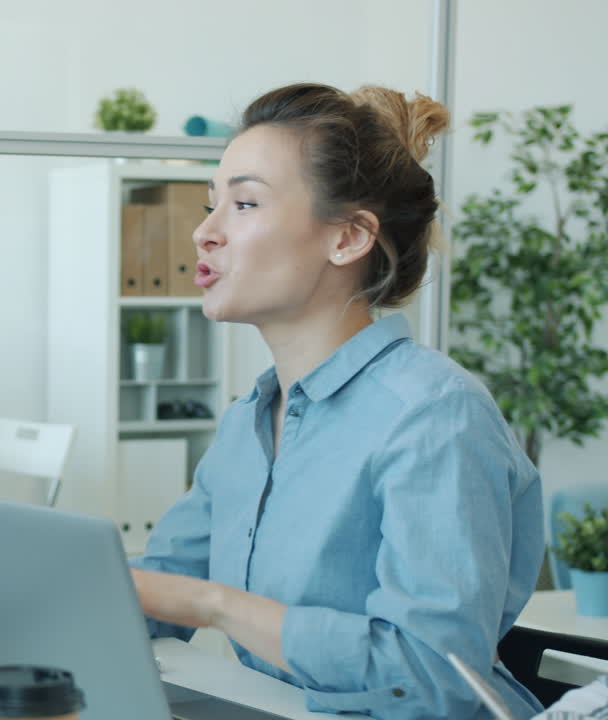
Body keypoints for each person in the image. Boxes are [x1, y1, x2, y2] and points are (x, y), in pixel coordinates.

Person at [130, 83, 544, 720]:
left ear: (349, 238)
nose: (204, 232)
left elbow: (435, 680)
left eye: (243, 204)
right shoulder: (249, 420)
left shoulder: (433, 416)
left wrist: (216, 605)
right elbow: (156, 589)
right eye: (212, 205)